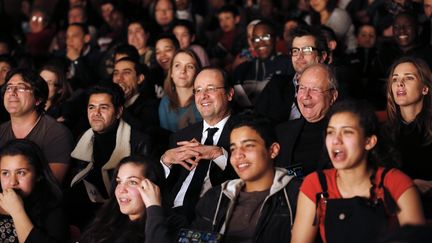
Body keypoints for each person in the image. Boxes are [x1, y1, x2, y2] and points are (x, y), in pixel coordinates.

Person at [291, 99, 425, 243]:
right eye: (331, 132)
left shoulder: (396, 183)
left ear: (369, 142)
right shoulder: (315, 185)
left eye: (347, 132)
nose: (336, 140)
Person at [190, 111, 301, 242]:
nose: (238, 155)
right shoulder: (216, 197)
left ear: (273, 150)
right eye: (233, 149)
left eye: (248, 146)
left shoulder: (297, 196)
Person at [66, 83, 152, 229]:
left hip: (121, 209)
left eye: (104, 107)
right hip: (86, 207)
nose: (96, 113)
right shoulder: (83, 137)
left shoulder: (139, 141)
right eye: (91, 107)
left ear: (118, 112)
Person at [159, 67, 237, 222]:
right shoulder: (181, 136)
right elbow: (161, 184)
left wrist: (218, 154)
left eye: (211, 89)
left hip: (216, 215)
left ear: (229, 94)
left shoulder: (244, 130)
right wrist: (165, 161)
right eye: (198, 90)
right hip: (172, 214)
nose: (203, 96)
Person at [79, 155, 181, 243]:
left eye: (132, 182)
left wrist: (153, 207)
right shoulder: (109, 217)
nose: (121, 190)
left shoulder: (173, 225)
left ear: (153, 188)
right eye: (119, 182)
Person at [0, 68, 74, 184]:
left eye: (21, 87)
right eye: (8, 87)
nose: (12, 92)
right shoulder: (1, 131)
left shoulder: (56, 133)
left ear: (38, 99)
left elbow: (51, 186)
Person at [382, 56, 432, 219]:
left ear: (425, 88)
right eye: (395, 79)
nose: (399, 83)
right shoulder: (384, 132)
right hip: (393, 209)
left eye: (408, 78)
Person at [255, 26, 329, 124]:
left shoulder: (333, 87)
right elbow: (256, 122)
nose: (299, 56)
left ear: (322, 56)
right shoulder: (277, 84)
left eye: (307, 50)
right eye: (295, 51)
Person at [0, 139, 69, 242]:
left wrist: (17, 211)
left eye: (21, 173)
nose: (12, 182)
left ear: (38, 175)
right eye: (5, 173)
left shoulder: (52, 207)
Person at [275, 63, 338, 175]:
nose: (306, 96)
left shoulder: (343, 134)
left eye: (314, 89)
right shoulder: (281, 132)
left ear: (333, 96)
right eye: (302, 88)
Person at [232, 20, 293, 111]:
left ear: (276, 38)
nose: (260, 43)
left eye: (265, 37)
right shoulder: (242, 69)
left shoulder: (288, 64)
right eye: (256, 39)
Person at [159, 49, 202, 132]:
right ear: (171, 73)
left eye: (189, 66)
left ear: (196, 73)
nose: (183, 71)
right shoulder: (165, 102)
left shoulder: (203, 100)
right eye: (177, 65)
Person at [112, 57, 160, 131]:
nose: (119, 78)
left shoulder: (151, 104)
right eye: (116, 73)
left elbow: (145, 133)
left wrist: (120, 101)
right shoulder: (109, 101)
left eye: (126, 73)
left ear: (139, 79)